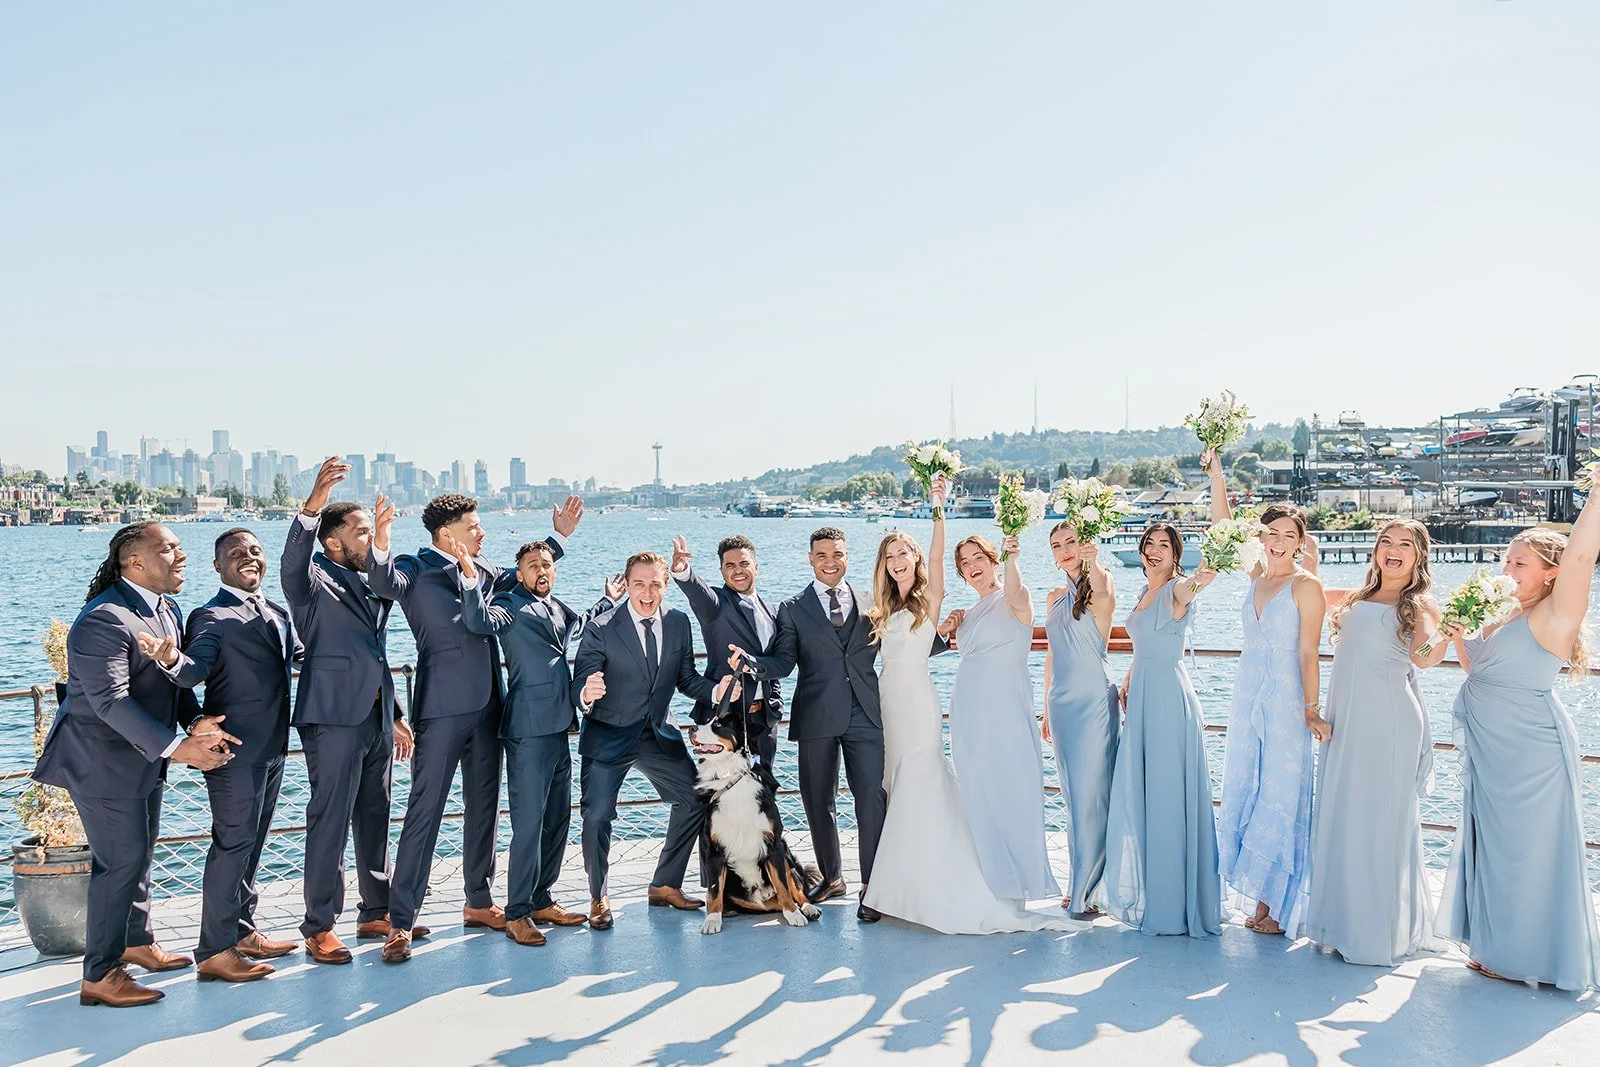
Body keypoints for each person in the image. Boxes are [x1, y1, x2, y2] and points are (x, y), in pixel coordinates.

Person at [366, 492, 580, 962]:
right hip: (441, 709)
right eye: (475, 527)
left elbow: (529, 575)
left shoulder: (484, 571)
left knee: (484, 809)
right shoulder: (414, 567)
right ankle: (400, 921)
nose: (483, 533)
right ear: (448, 534)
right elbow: (383, 581)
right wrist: (380, 539)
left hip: (491, 709)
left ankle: (479, 902)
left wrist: (557, 536)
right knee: (425, 813)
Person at [863, 476, 1077, 934]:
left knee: (931, 781)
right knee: (909, 787)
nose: (899, 561)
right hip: (906, 707)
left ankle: (964, 884)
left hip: (931, 703)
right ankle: (907, 883)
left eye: (906, 553)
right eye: (891, 556)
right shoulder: (884, 606)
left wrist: (938, 503)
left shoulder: (939, 599)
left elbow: (950, 565)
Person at [34, 523, 234, 1007]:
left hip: (139, 758)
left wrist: (196, 722)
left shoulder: (166, 608)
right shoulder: (104, 619)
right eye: (168, 548)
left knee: (139, 854)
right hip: (100, 763)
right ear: (135, 562)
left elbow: (172, 685)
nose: (181, 555)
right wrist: (177, 749)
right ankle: (99, 975)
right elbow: (110, 702)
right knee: (118, 863)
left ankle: (136, 942)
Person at [740, 527, 946, 922]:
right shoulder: (792, 608)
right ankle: (833, 877)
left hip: (867, 715)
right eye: (821, 555)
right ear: (810, 559)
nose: (830, 561)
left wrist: (948, 631)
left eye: (837, 554)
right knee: (818, 801)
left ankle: (874, 886)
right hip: (816, 715)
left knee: (872, 797)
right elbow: (783, 661)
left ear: (848, 556)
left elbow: (913, 638)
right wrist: (754, 664)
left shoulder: (874, 602)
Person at [1434, 510, 1600, 991]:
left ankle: (1530, 955)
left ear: (1552, 572)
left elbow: (1585, 554)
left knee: (1527, 852)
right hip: (1491, 749)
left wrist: (1595, 492)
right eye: (1507, 560)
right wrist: (1459, 633)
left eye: (1519, 563)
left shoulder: (1556, 614)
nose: (1507, 570)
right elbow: (1478, 670)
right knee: (1495, 847)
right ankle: (1497, 947)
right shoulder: (1502, 612)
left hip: (1531, 753)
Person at [281, 457, 415, 965]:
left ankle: (375, 910)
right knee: (330, 819)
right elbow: (292, 563)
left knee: (375, 815)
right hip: (333, 717)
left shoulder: (373, 579)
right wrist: (313, 507)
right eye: (361, 531)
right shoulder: (312, 581)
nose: (370, 536)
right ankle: (319, 926)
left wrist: (396, 714)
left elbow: (374, 653)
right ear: (334, 541)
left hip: (377, 717)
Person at [458, 538, 620, 946]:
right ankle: (516, 913)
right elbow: (479, 621)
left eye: (546, 563)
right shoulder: (509, 604)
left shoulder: (556, 607)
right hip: (527, 729)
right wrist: (469, 579)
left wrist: (607, 599)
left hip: (560, 724)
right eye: (532, 565)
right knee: (528, 824)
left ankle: (542, 897)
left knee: (556, 820)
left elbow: (581, 626)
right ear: (520, 572)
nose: (541, 570)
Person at [159, 528, 304, 982]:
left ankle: (242, 930)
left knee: (254, 842)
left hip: (274, 746)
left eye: (255, 551)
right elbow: (194, 670)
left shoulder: (278, 613)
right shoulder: (210, 616)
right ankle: (214, 949)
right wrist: (169, 660)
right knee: (232, 844)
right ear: (218, 566)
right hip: (232, 751)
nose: (249, 557)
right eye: (236, 553)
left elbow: (306, 659)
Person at [571, 551, 738, 929]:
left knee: (694, 800)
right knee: (596, 816)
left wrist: (715, 691)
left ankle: (665, 884)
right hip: (609, 734)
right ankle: (599, 896)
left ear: (665, 586)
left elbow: (686, 679)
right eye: (639, 584)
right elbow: (580, 677)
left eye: (655, 584)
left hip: (658, 733)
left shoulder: (678, 622)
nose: (647, 593)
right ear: (627, 585)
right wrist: (586, 691)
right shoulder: (601, 626)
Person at [1305, 519, 1441, 967]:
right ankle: (1344, 923)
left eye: (1405, 544)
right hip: (1346, 722)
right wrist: (1306, 557)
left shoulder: (1418, 605)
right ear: (1376, 549)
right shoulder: (1356, 598)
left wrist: (1445, 635)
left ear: (1419, 555)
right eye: (1386, 541)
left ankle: (1376, 934)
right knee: (1347, 816)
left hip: (1390, 724)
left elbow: (1426, 659)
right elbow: (1301, 596)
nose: (1393, 549)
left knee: (1380, 822)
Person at [1205, 451, 1327, 938]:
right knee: (1249, 787)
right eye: (1270, 533)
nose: (1277, 542)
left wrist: (1311, 710)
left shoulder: (1306, 585)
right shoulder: (1258, 576)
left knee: (1282, 792)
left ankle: (1277, 905)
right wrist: (1218, 477)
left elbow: (1309, 652)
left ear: (1300, 543)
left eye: (1287, 535)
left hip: (1285, 701)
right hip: (1246, 694)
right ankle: (1258, 897)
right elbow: (1222, 528)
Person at [1103, 523, 1223, 937]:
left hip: (1169, 700)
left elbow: (1196, 586)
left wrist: (1203, 576)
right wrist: (1130, 676)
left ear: (1176, 555)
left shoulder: (1176, 589)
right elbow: (1147, 644)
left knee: (1169, 795)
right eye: (1149, 544)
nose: (1154, 551)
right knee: (1150, 793)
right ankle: (1159, 893)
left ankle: (1172, 908)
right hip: (1142, 696)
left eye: (1164, 546)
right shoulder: (1145, 592)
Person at [946, 533, 1061, 904]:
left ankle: (1018, 883)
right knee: (976, 791)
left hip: (1006, 710)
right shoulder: (967, 613)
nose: (972, 566)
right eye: (964, 562)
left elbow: (1015, 588)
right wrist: (949, 625)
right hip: (969, 712)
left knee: (1011, 787)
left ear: (993, 560)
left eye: (978, 557)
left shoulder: (1016, 599)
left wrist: (1013, 554)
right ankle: (987, 879)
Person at [1042, 520, 1119, 919]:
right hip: (1061, 704)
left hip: (1093, 702)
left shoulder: (1100, 592)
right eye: (1057, 545)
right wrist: (1045, 708)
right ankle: (1079, 882)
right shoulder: (1055, 596)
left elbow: (1102, 587)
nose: (1064, 549)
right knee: (1073, 798)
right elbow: (1051, 654)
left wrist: (1096, 562)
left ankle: (1092, 890)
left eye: (1071, 541)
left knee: (1095, 795)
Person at [669, 534, 784, 768]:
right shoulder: (716, 605)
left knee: (761, 796)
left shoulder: (771, 611)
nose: (737, 571)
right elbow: (698, 593)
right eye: (730, 566)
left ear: (756, 567)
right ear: (721, 571)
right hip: (723, 722)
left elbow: (775, 661)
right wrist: (683, 571)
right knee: (720, 798)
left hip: (763, 721)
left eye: (744, 564)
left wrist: (774, 702)